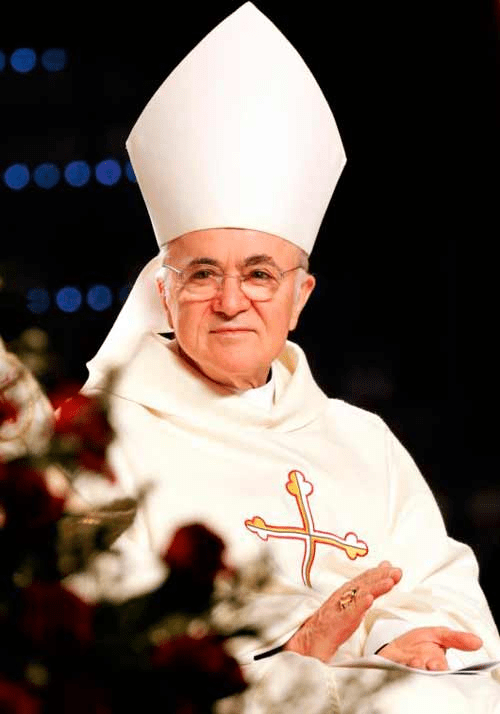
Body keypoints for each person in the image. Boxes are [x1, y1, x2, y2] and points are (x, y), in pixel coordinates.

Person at [67, 3, 500, 712]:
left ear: (300, 297)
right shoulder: (101, 441)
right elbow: (106, 640)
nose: (231, 301)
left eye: (260, 274)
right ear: (164, 293)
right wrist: (291, 662)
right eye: (203, 273)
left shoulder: (363, 441)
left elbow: (443, 595)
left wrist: (398, 643)